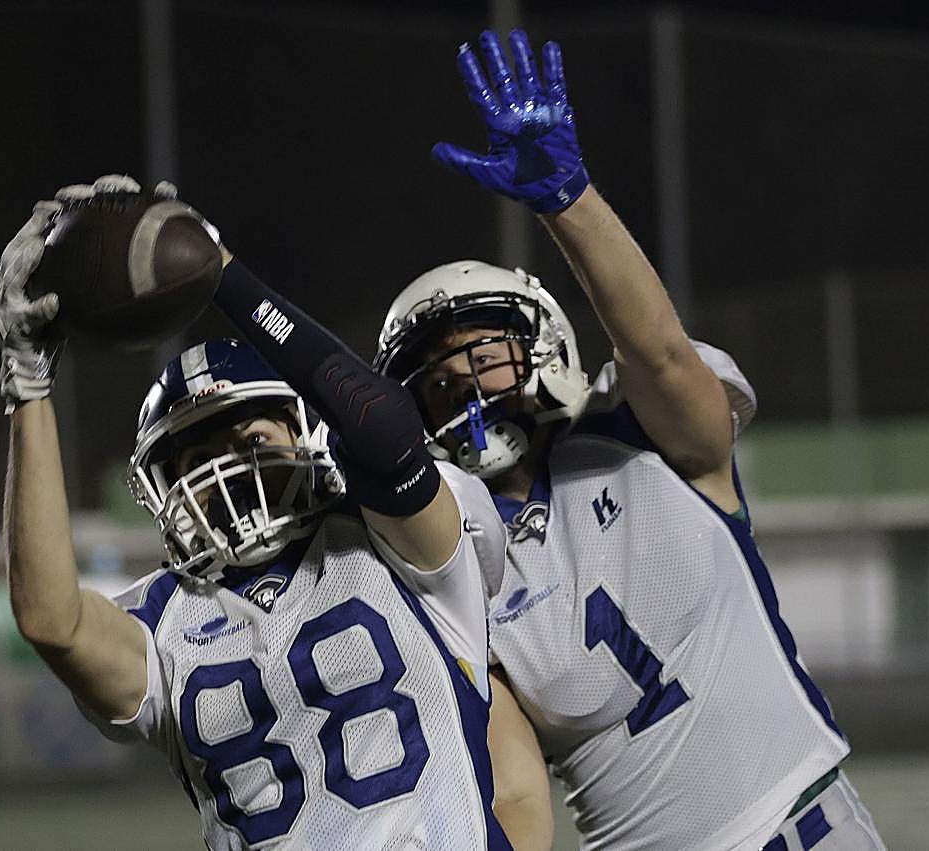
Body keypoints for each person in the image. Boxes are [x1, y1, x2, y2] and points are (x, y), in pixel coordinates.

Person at [373, 31, 886, 850]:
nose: (467, 386)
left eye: (484, 354)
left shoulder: (634, 428)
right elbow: (515, 789)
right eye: (437, 380)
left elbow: (663, 354)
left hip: (810, 828)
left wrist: (567, 201)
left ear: (538, 340)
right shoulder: (455, 561)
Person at [0, 175, 515, 849]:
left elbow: (383, 429)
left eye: (252, 440)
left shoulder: (392, 540)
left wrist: (218, 269)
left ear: (304, 433)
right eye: (198, 456)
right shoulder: (161, 619)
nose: (229, 467)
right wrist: (28, 385)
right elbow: (49, 620)